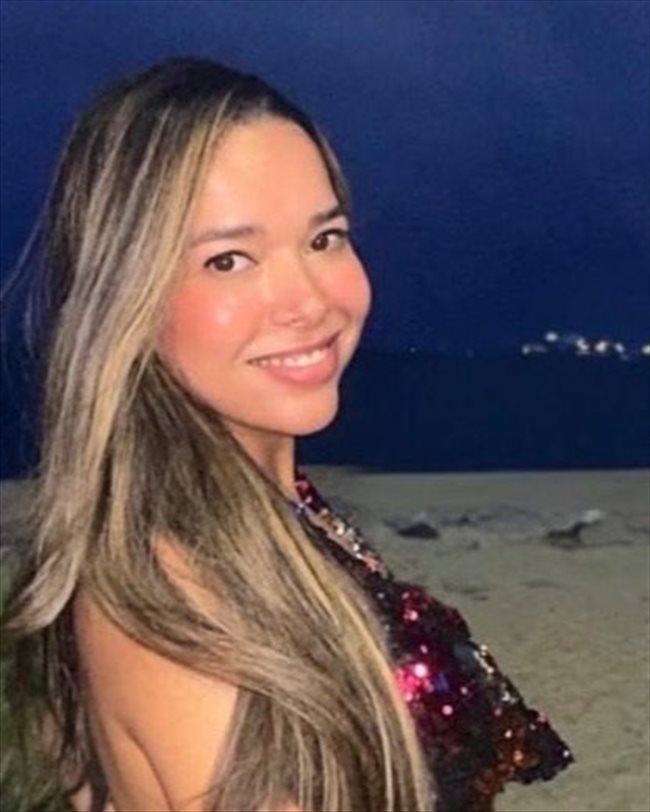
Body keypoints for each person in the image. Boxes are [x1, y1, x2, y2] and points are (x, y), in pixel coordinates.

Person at [1, 58, 572, 812]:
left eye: (324, 238)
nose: (307, 300)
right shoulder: (184, 601)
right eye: (228, 260)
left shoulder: (264, 521)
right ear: (127, 296)